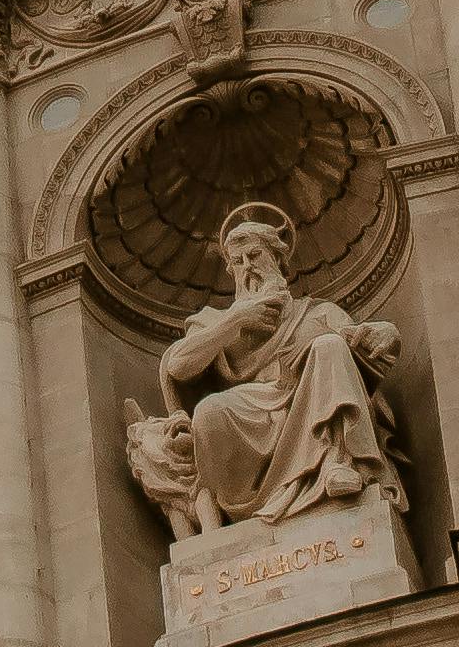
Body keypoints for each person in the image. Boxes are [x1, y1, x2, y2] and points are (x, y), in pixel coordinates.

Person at [124, 202, 400, 541]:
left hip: (309, 398)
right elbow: (179, 366)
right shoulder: (214, 320)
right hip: (250, 407)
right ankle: (238, 513)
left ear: (278, 261)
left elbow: (362, 342)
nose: (247, 268)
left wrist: (385, 332)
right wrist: (238, 318)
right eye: (237, 262)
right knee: (210, 411)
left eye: (255, 256)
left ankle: (337, 463)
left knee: (328, 346)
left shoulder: (315, 311)